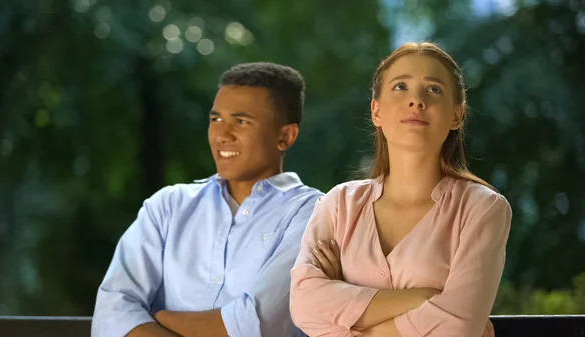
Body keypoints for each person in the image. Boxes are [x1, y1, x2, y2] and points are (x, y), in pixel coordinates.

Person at [290, 42, 512, 337]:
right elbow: (304, 304)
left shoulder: (482, 209)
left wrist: (345, 310)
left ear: (457, 116)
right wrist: (423, 299)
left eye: (433, 89)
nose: (416, 100)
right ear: (376, 111)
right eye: (400, 87)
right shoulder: (338, 205)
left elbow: (457, 327)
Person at [92, 62, 323, 337]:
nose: (222, 135)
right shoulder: (167, 207)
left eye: (241, 121)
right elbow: (113, 310)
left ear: (285, 136)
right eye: (216, 120)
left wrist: (159, 318)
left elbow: (257, 325)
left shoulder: (313, 214)